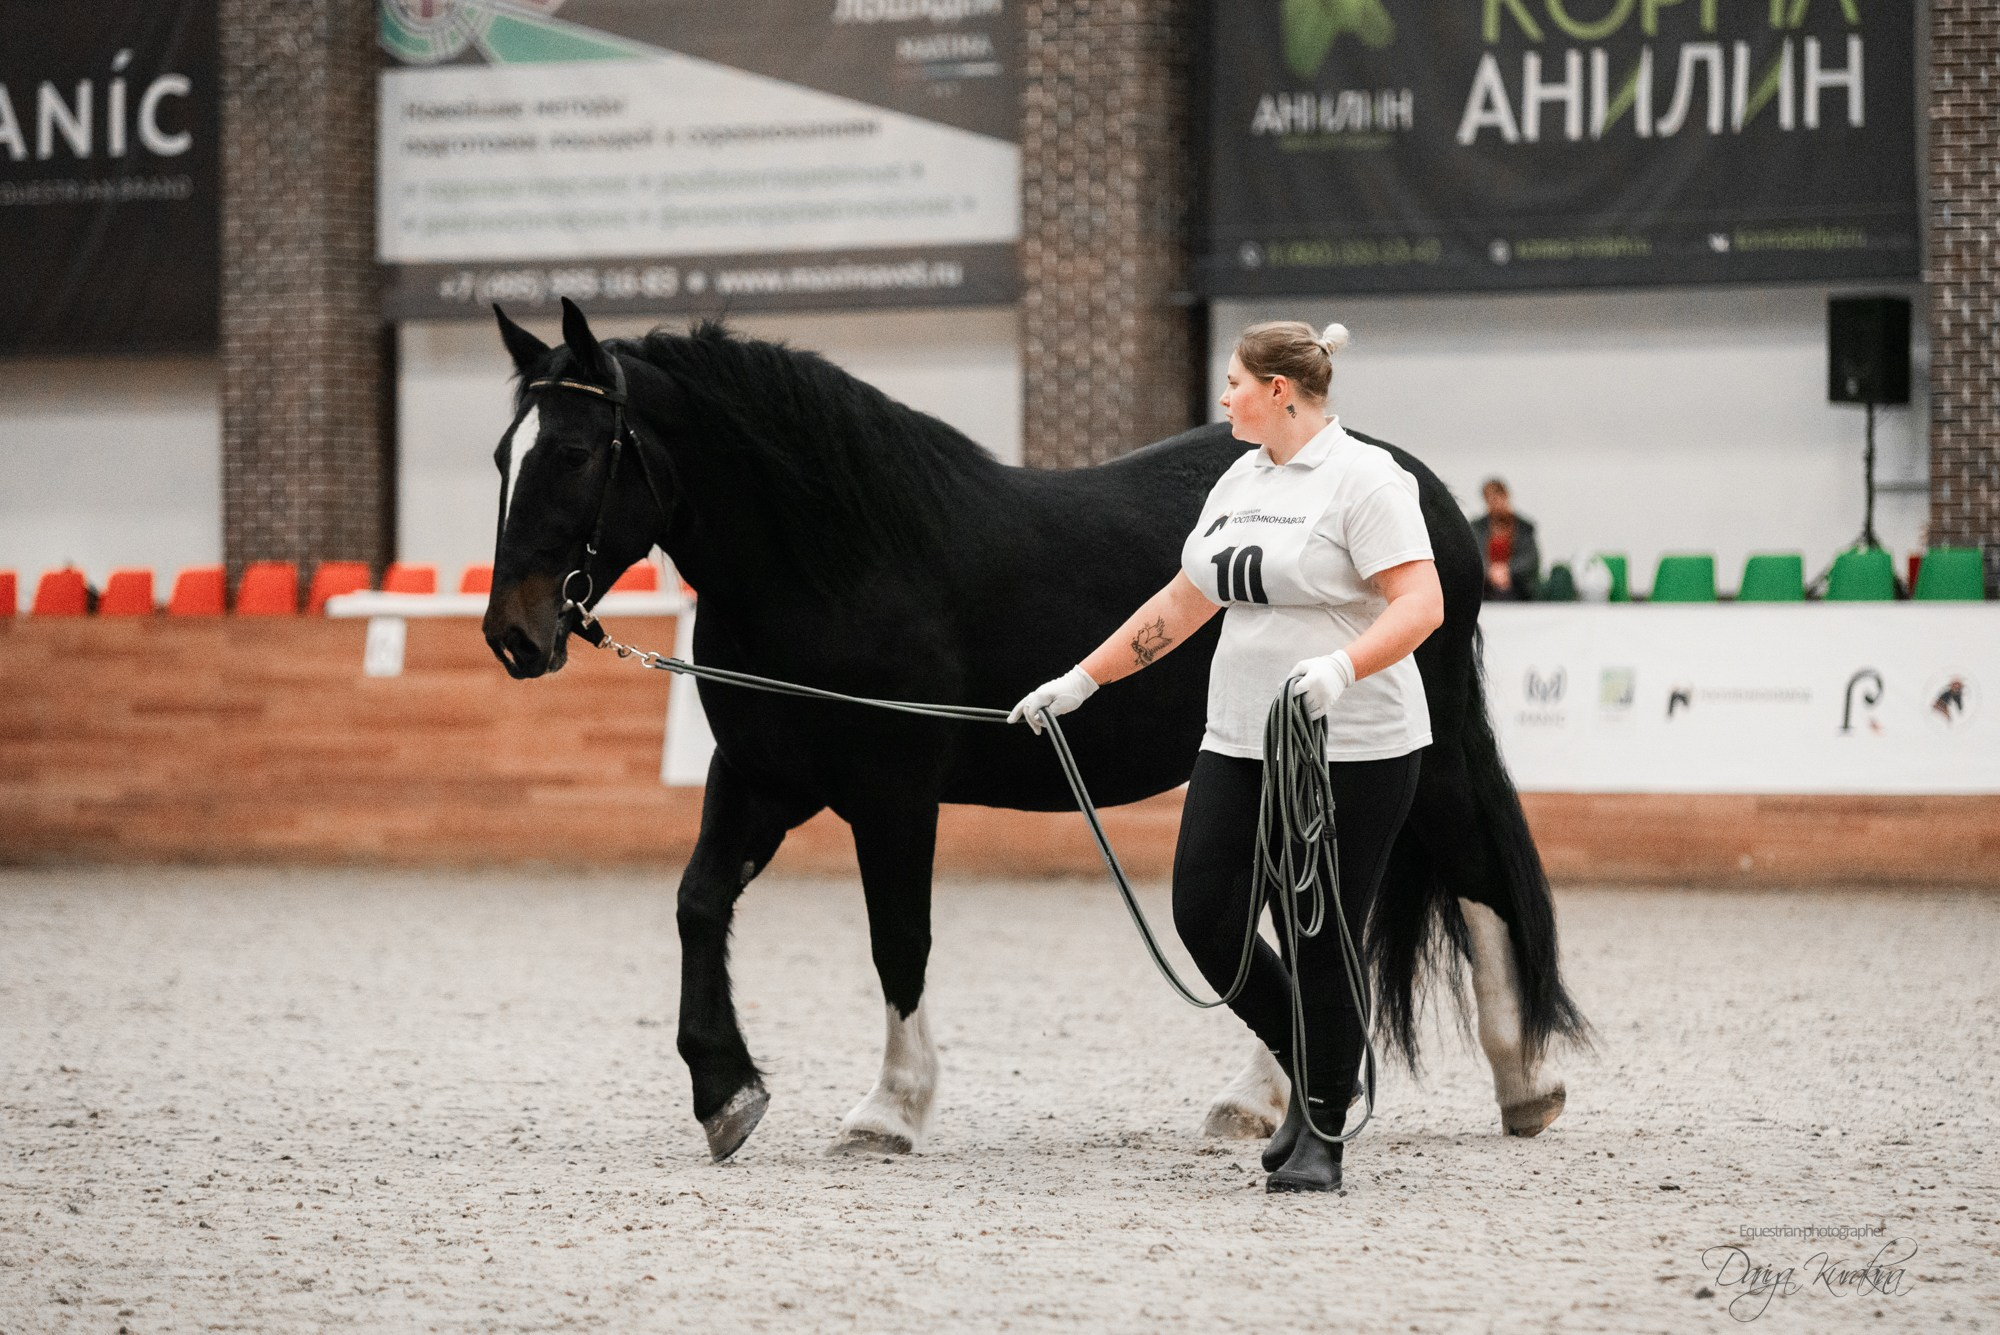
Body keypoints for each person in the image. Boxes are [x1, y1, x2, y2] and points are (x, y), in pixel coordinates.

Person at [1008, 320, 1442, 1193]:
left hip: (1348, 746)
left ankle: (1319, 1121)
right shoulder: (1240, 478)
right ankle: (1320, 1059)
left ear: (1279, 390)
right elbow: (1184, 599)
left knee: (1319, 930)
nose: (1224, 396)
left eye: (1236, 380)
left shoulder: (1366, 479)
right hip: (1239, 735)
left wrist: (1339, 665)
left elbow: (1421, 601)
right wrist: (1083, 681)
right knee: (1204, 912)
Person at [1471, 478, 1539, 600]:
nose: (1495, 503)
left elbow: (1530, 559)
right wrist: (1490, 572)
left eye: (1497, 497)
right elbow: (1474, 555)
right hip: (1486, 585)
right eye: (1490, 499)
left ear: (1506, 496)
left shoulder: (1524, 528)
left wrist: (1508, 571)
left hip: (1518, 585)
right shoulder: (1477, 528)